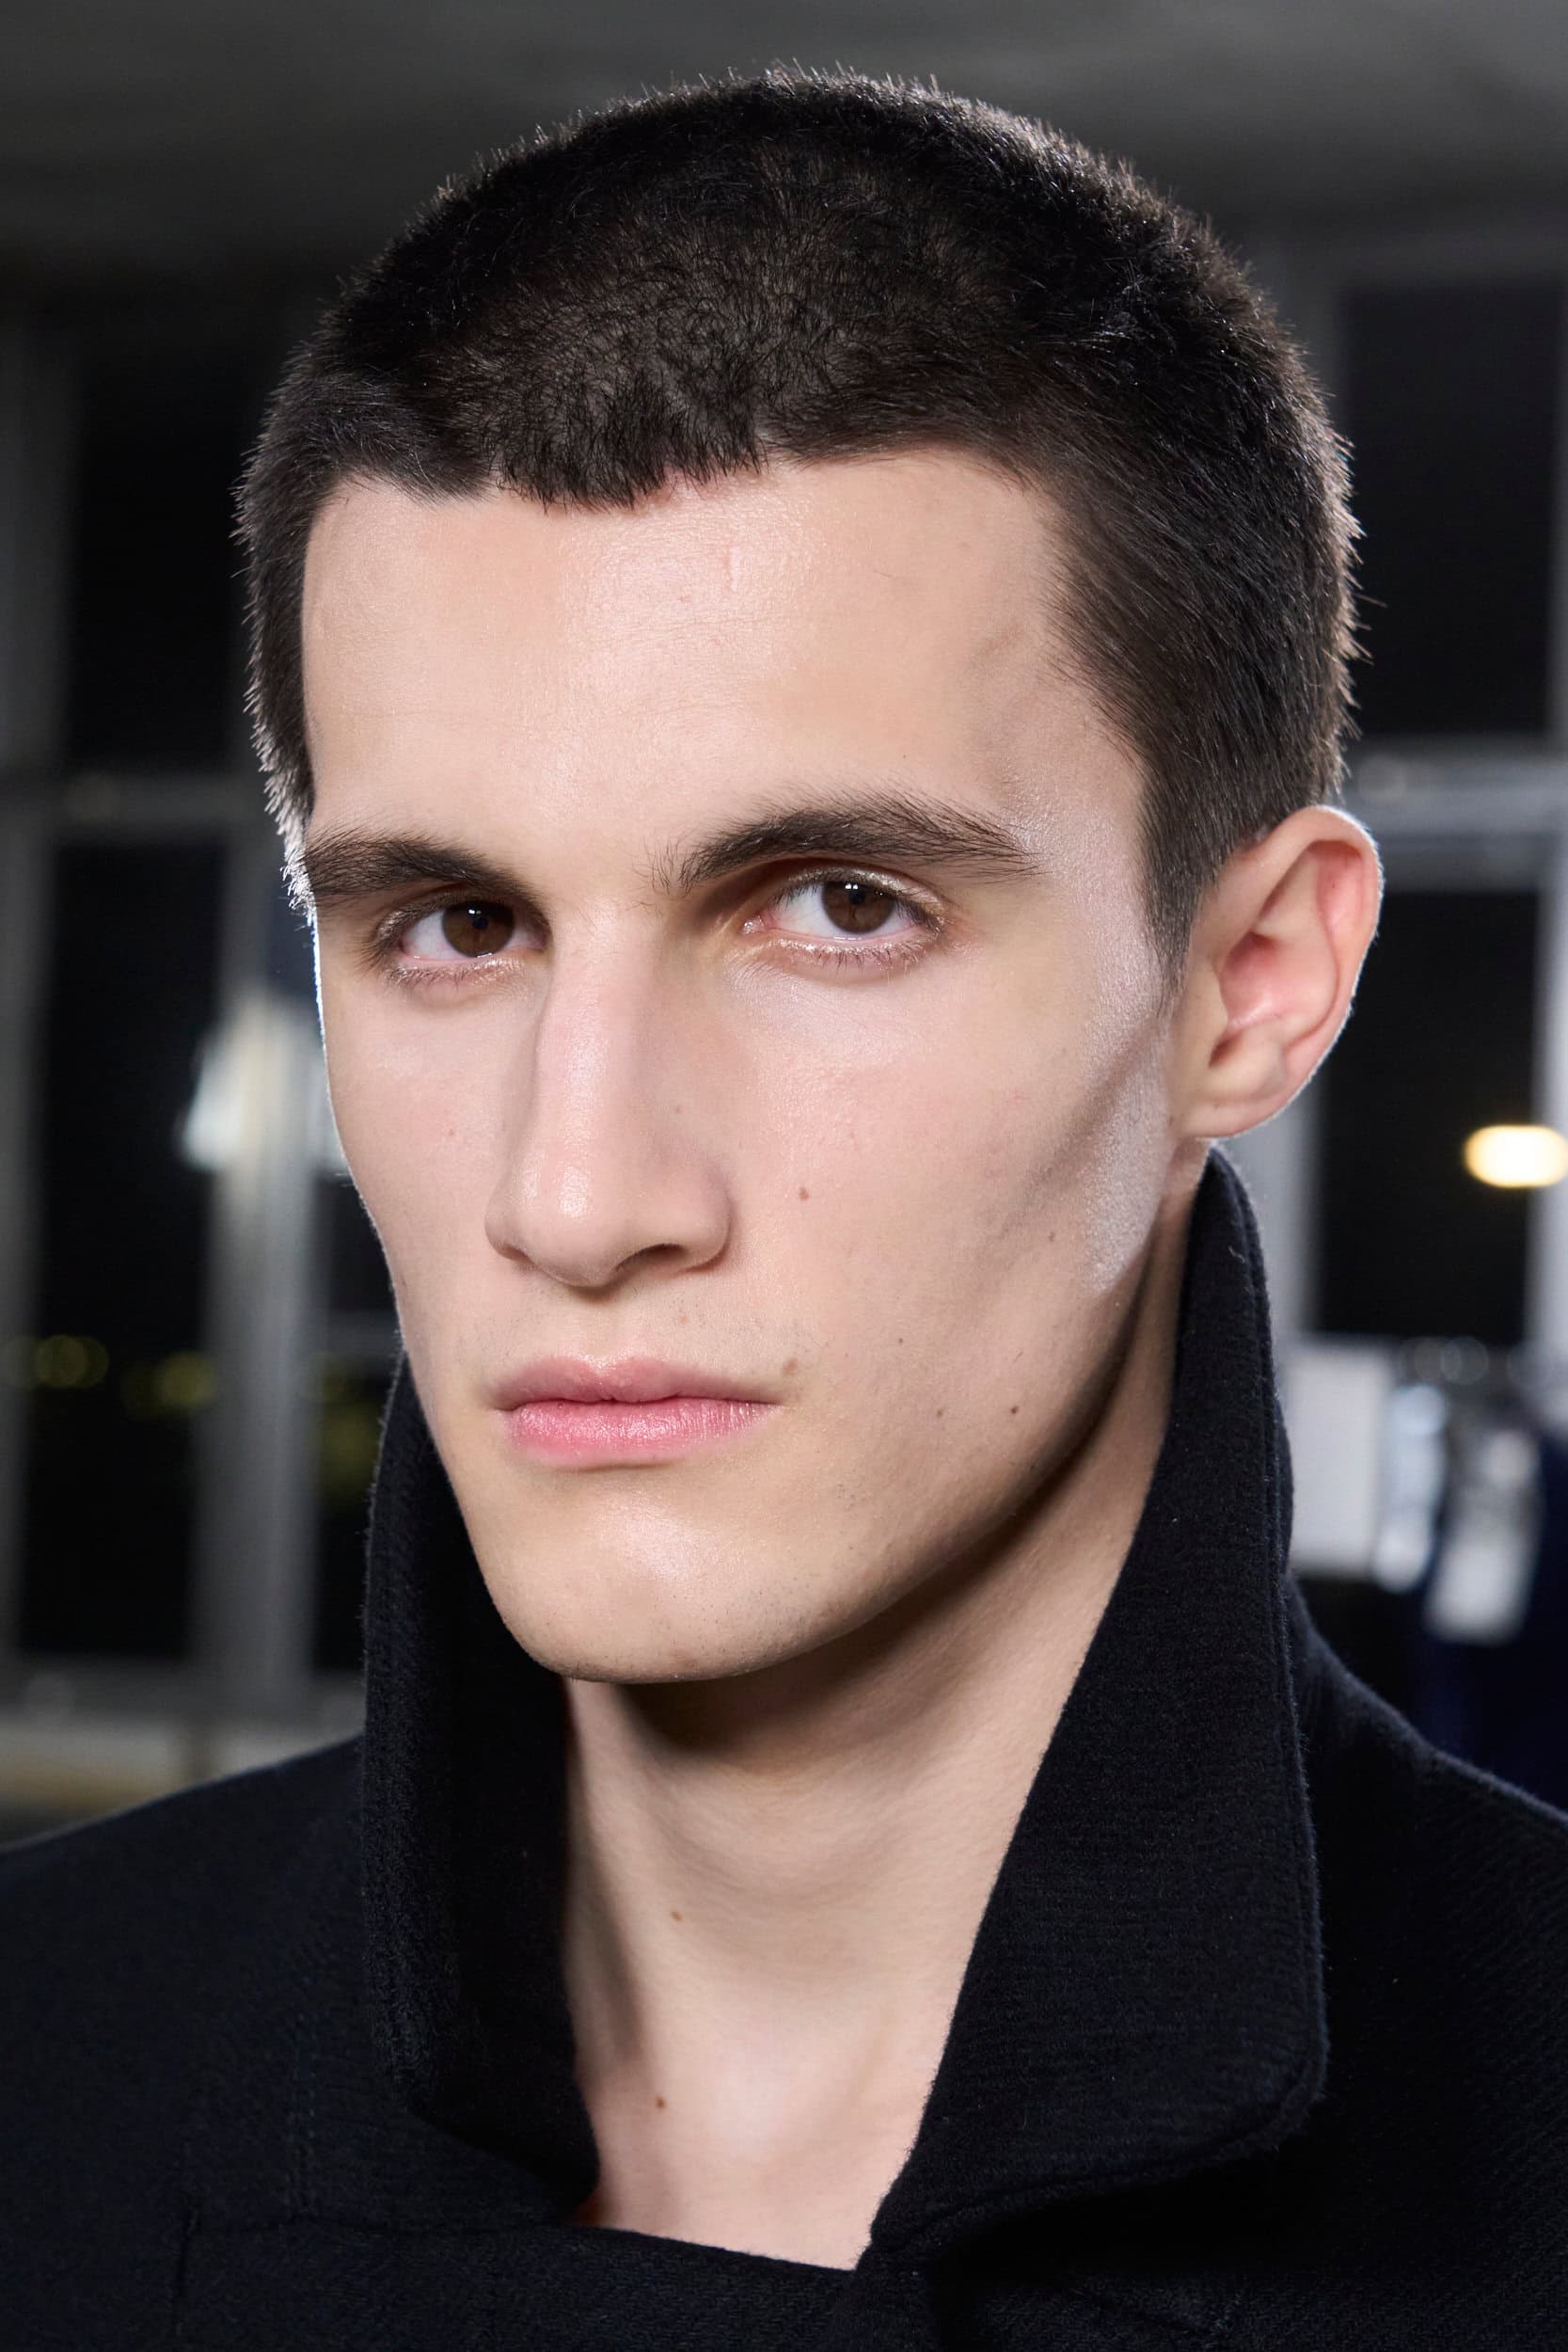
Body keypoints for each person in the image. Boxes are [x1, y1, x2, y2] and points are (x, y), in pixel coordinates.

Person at [5, 69, 1566, 2350]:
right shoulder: (41, 2071)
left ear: (1251, 984)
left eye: (838, 903)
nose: (576, 1193)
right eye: (455, 925)